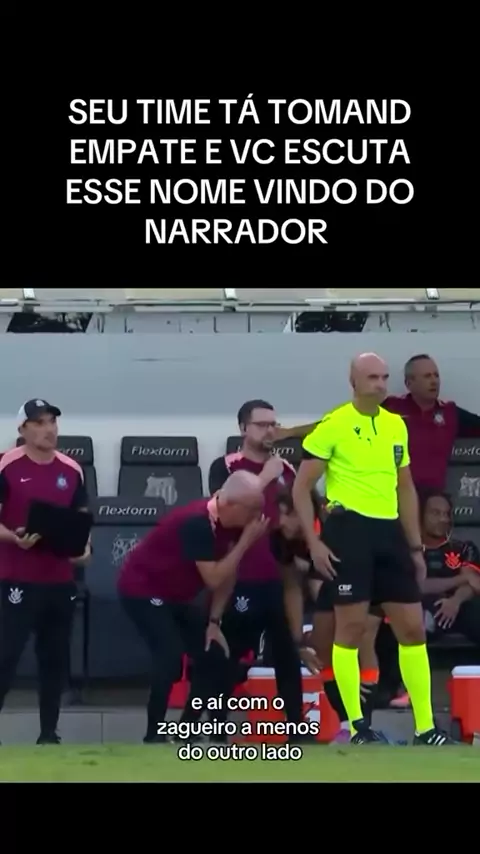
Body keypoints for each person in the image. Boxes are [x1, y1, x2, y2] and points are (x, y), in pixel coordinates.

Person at [292, 353, 453, 746]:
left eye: (384, 377)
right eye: (372, 377)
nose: (380, 384)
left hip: (389, 531)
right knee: (349, 630)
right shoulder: (333, 424)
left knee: (412, 629)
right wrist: (314, 543)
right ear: (354, 381)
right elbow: (301, 487)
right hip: (348, 531)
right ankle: (357, 727)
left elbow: (405, 487)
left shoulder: (396, 425)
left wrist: (414, 547)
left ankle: (425, 728)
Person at [181, 399, 305, 739]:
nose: (270, 431)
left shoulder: (287, 471)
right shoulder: (225, 466)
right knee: (225, 657)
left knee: (287, 654)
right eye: (262, 425)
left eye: (274, 424)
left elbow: (294, 518)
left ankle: (297, 730)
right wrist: (265, 478)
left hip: (275, 577)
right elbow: (224, 509)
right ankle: (211, 728)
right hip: (236, 575)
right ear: (243, 429)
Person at [117, 470, 268, 744]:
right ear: (231, 505)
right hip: (143, 588)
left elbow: (228, 575)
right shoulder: (197, 522)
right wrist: (246, 542)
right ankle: (153, 734)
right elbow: (213, 579)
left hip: (177, 596)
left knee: (215, 655)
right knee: (169, 655)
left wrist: (214, 622)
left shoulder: (233, 524)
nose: (256, 518)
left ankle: (186, 730)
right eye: (252, 510)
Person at [0, 399, 91, 745]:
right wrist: (14, 537)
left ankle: (49, 734)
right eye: (39, 423)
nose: (49, 429)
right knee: (6, 656)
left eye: (52, 421)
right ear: (22, 430)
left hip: (59, 579)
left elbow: (81, 519)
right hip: (16, 577)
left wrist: (84, 548)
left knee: (54, 658)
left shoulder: (72, 469)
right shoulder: (6, 465)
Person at [271, 488, 385, 744]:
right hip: (331, 585)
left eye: (289, 515)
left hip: (370, 579)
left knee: (361, 639)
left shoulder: (336, 526)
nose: (282, 522)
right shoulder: (283, 540)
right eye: (280, 514)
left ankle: (363, 724)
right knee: (322, 648)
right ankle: (347, 725)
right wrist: (298, 641)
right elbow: (293, 588)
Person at [382, 354, 480, 490]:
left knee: (436, 502)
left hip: (432, 495)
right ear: (409, 383)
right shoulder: (391, 408)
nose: (434, 381)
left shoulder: (449, 412)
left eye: (436, 375)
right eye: (427, 376)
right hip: (394, 491)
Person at [419, 490, 480, 646]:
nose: (443, 519)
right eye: (435, 513)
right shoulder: (410, 549)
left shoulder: (464, 548)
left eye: (446, 514)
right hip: (422, 607)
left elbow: (472, 584)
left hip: (460, 607)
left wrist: (455, 601)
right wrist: (462, 578)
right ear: (420, 515)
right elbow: (418, 585)